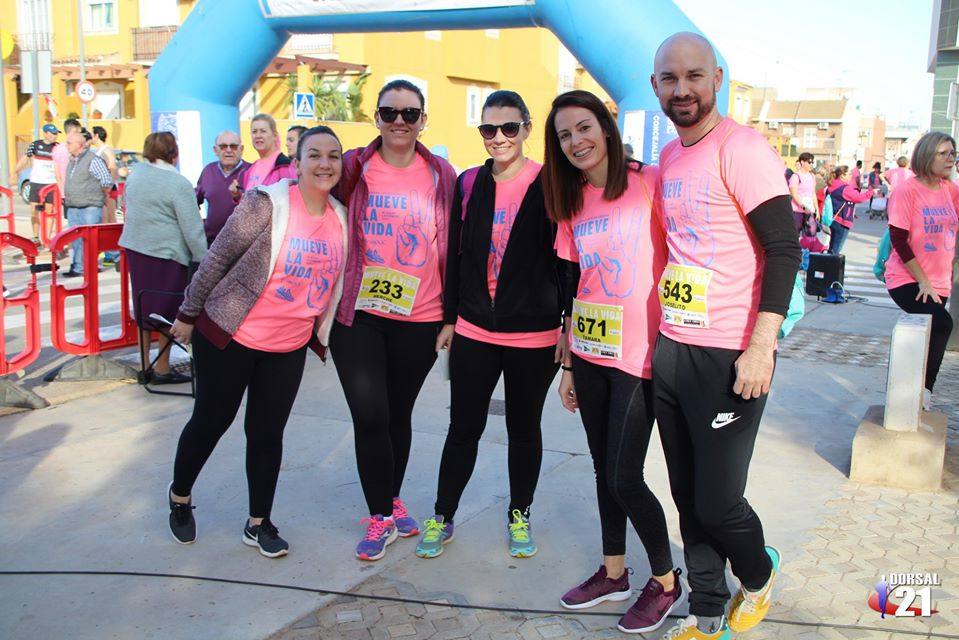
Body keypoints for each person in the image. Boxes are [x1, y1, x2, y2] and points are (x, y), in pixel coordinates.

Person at [649, 32, 801, 639]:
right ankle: (707, 612)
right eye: (669, 79)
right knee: (686, 497)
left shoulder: (743, 149)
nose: (681, 89)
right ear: (655, 85)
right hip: (673, 347)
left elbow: (785, 251)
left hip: (731, 354)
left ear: (716, 79)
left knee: (719, 502)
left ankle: (759, 575)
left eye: (693, 76)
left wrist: (762, 345)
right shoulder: (669, 156)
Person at [166, 126, 348, 557]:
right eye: (315, 155)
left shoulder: (341, 217)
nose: (325, 164)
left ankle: (259, 523)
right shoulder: (265, 203)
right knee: (212, 421)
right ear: (297, 162)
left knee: (267, 434)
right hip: (232, 335)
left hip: (287, 345)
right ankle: (179, 497)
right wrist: (188, 314)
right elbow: (217, 258)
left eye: (334, 156)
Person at [544, 90, 682, 635]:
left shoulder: (649, 182)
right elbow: (575, 284)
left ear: (605, 127)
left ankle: (667, 581)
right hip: (591, 353)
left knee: (626, 475)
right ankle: (614, 571)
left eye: (584, 128)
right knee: (605, 469)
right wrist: (571, 362)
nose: (576, 141)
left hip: (640, 355)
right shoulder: (572, 200)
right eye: (564, 135)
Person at [415, 90, 562, 561]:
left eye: (509, 128)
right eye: (488, 129)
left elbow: (567, 262)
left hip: (534, 335)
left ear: (526, 128)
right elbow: (456, 254)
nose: (498, 137)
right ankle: (443, 513)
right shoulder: (469, 182)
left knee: (524, 429)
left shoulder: (551, 183)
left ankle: (520, 513)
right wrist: (449, 317)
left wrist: (568, 326)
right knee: (463, 427)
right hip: (475, 330)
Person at [329, 79, 456, 562]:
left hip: (420, 316)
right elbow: (310, 197)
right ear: (376, 117)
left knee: (397, 415)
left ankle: (392, 496)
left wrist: (451, 316)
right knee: (370, 415)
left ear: (423, 119)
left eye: (409, 113)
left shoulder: (442, 174)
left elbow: (455, 246)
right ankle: (380, 514)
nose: (399, 122)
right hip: (359, 314)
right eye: (389, 112)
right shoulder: (353, 168)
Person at [119, 132, 207, 383]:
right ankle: (163, 368)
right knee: (168, 313)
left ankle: (145, 366)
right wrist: (204, 259)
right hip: (166, 254)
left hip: (136, 249)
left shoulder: (136, 176)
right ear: (174, 153)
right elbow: (192, 228)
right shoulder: (177, 183)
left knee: (144, 308)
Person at [884, 132, 957, 411]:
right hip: (907, 279)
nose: (951, 158)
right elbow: (899, 239)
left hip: (940, 282)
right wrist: (923, 280)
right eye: (944, 153)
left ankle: (915, 397)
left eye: (953, 153)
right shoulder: (907, 190)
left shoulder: (950, 190)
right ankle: (923, 394)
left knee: (931, 336)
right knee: (943, 324)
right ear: (927, 155)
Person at [62, 130, 113, 278]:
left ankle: (91, 266)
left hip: (89, 205)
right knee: (76, 240)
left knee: (89, 240)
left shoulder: (92, 159)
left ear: (79, 145)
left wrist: (100, 194)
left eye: (69, 143)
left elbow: (106, 180)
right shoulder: (72, 160)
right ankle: (78, 267)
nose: (66, 145)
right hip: (74, 206)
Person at [195, 130, 250, 245]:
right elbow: (193, 201)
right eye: (223, 146)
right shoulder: (208, 171)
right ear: (215, 150)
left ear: (242, 149)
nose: (229, 150)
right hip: (212, 244)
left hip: (243, 246)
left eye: (233, 146)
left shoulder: (252, 171)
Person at [9, 123, 60, 247]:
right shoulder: (36, 145)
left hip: (51, 184)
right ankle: (36, 237)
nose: (55, 136)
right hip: (37, 182)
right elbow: (25, 158)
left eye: (56, 134)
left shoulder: (57, 147)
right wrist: (15, 171)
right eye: (53, 134)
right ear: (46, 133)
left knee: (49, 211)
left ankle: (47, 238)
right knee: (35, 211)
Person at [232, 114, 296, 198]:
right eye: (254, 131)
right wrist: (237, 196)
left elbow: (293, 200)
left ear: (275, 136)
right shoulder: (250, 169)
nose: (258, 136)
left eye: (263, 131)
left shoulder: (285, 166)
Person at [90, 125, 121, 265]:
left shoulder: (106, 150)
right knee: (105, 222)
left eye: (91, 134)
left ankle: (113, 253)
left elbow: (113, 167)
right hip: (104, 189)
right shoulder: (98, 150)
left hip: (108, 189)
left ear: (96, 135)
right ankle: (110, 252)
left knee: (109, 221)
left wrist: (109, 188)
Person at [826, 165, 873, 255]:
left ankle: (827, 266)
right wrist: (871, 192)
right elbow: (859, 198)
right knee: (836, 249)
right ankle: (832, 267)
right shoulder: (845, 188)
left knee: (832, 246)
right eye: (849, 174)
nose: (851, 176)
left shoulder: (832, 185)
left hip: (833, 218)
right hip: (842, 220)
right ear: (842, 175)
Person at [788, 152, 817, 234]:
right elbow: (794, 194)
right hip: (797, 211)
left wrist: (817, 209)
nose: (811, 164)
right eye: (809, 162)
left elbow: (813, 193)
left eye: (812, 162)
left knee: (810, 235)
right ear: (802, 162)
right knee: (795, 235)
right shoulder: (796, 176)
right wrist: (804, 207)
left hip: (810, 211)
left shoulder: (812, 176)